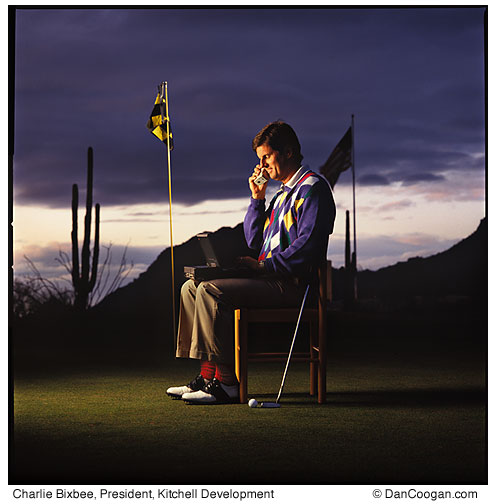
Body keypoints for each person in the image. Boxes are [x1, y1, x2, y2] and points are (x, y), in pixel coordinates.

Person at [167, 121, 336, 404]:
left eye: (266, 157)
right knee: (191, 288)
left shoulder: (313, 188)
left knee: (210, 291)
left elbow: (307, 248)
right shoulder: (282, 193)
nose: (262, 165)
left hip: (293, 285)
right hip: (268, 279)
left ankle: (227, 384)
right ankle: (209, 376)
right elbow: (254, 241)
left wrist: (261, 267)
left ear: (289, 152)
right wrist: (257, 199)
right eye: (260, 159)